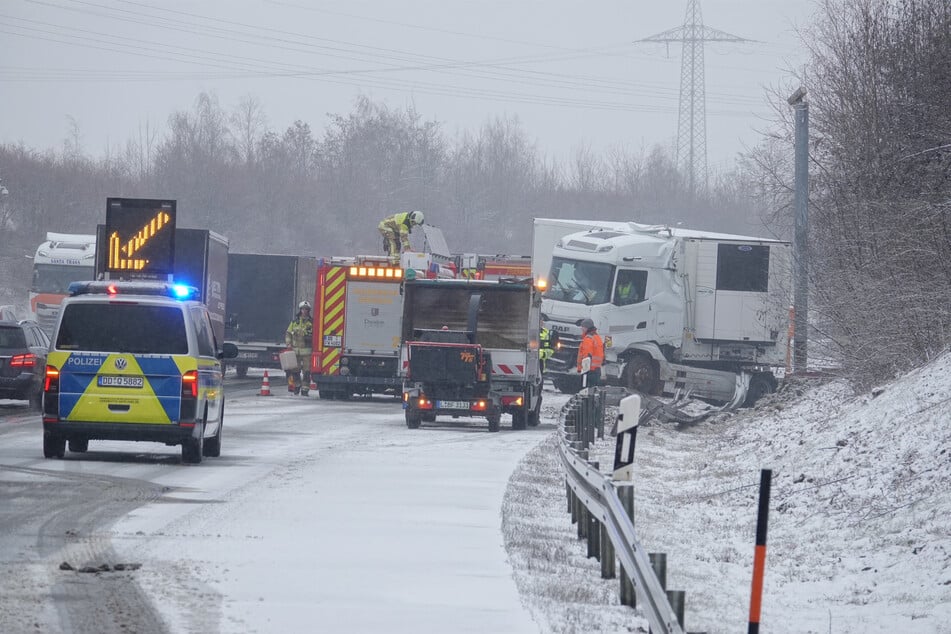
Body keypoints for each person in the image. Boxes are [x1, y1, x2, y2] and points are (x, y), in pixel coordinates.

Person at [284, 300, 313, 395]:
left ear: (309, 310)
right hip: (295, 351)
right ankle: (297, 386)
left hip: (307, 352)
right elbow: (288, 333)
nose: (304, 311)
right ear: (300, 310)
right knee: (294, 370)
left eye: (306, 309)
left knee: (307, 372)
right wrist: (288, 343)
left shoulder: (312, 323)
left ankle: (305, 389)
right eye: (303, 309)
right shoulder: (294, 322)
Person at [576, 318, 604, 388]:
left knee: (585, 391)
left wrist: (582, 369)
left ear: (586, 328)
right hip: (596, 370)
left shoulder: (588, 339)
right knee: (593, 390)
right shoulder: (597, 337)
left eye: (582, 327)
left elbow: (587, 356)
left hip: (589, 371)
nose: (581, 329)